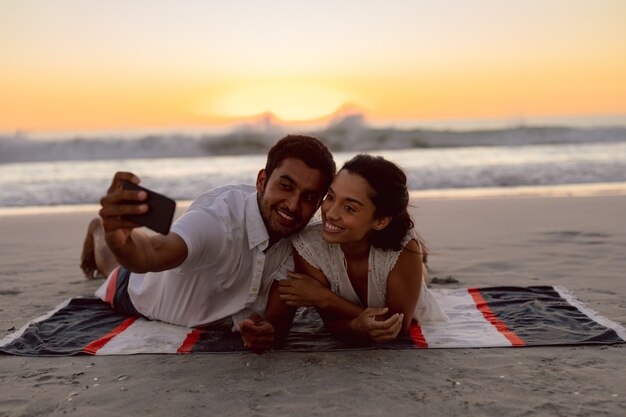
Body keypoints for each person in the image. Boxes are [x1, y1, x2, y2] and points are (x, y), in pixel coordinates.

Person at [79, 135, 336, 353]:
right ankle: (101, 231)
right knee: (112, 264)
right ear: (261, 181)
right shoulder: (217, 220)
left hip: (218, 310)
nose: (292, 205)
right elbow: (152, 252)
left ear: (318, 204)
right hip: (139, 289)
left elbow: (279, 318)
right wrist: (118, 236)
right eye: (285, 186)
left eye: (308, 197)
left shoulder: (302, 240)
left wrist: (269, 331)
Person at [254, 154, 448, 351]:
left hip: (395, 257)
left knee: (421, 275)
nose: (330, 213)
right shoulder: (309, 247)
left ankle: (421, 263)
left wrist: (324, 297)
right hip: (378, 258)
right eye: (330, 197)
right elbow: (333, 325)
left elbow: (395, 327)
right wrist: (356, 325)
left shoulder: (403, 251)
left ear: (380, 221)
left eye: (349, 208)